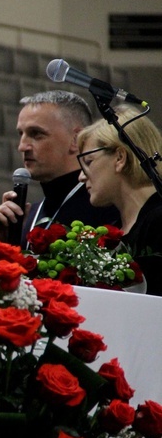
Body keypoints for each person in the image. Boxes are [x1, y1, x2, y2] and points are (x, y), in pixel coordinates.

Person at [0, 90, 119, 247]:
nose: (22, 146)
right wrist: (3, 244)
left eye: (36, 134)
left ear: (76, 139)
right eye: (21, 134)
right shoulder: (28, 217)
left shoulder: (106, 208)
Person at [76, 104, 162, 296]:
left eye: (88, 162)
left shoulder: (159, 219)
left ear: (120, 158)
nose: (81, 177)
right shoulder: (112, 230)